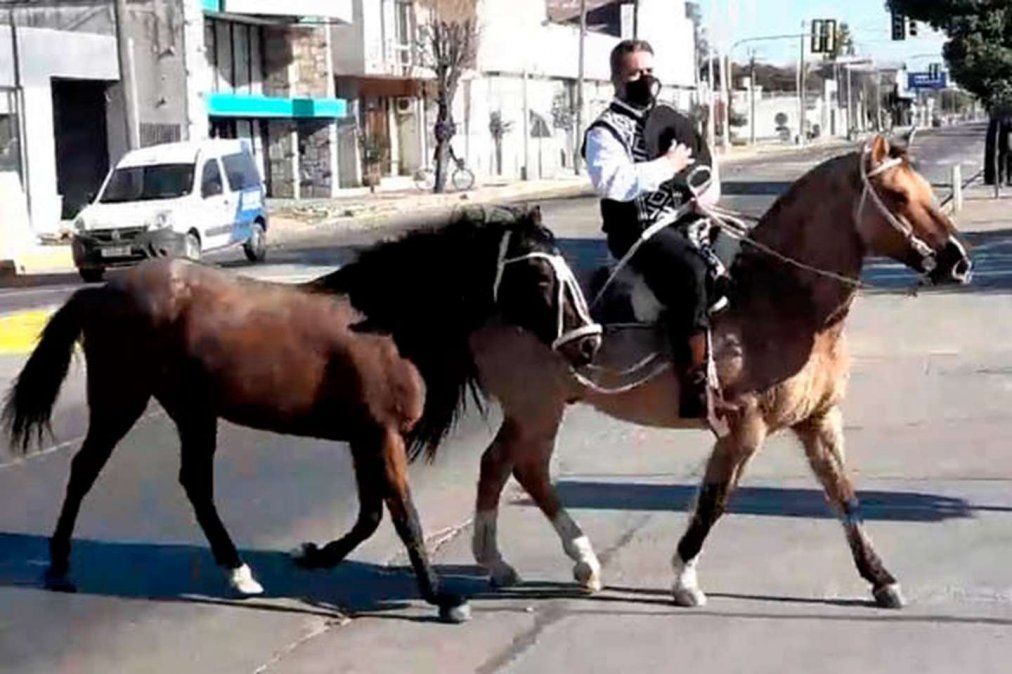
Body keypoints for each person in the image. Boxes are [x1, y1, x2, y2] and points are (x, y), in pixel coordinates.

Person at [583, 39, 722, 419]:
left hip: (686, 220)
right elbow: (613, 182)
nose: (644, 79)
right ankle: (693, 383)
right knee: (689, 270)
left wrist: (704, 197)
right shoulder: (604, 131)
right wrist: (666, 165)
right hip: (639, 232)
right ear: (616, 79)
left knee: (741, 257)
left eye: (648, 71)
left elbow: (706, 167)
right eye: (634, 73)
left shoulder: (673, 119)